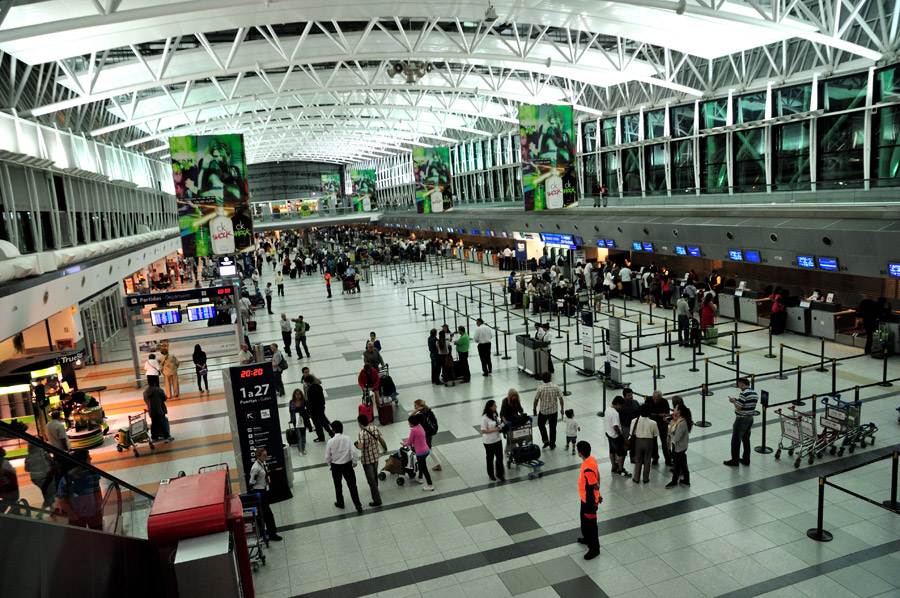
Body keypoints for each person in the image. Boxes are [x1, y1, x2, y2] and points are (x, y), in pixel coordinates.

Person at [54, 449, 102, 528]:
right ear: (83, 461)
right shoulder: (91, 473)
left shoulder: (67, 478)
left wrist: (73, 515)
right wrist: (98, 508)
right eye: (88, 458)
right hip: (88, 514)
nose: (90, 459)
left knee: (80, 536)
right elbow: (97, 491)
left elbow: (62, 499)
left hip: (80, 515)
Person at [325, 420, 363, 511]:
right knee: (352, 485)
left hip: (336, 467)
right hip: (347, 465)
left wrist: (331, 463)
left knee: (338, 486)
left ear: (333, 430)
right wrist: (354, 462)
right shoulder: (347, 438)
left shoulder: (330, 441)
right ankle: (357, 505)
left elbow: (327, 457)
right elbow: (354, 451)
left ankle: (340, 503)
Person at [248, 447, 283, 540]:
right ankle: (271, 534)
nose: (266, 457)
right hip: (259, 492)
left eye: (266, 454)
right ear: (259, 456)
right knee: (267, 514)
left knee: (265, 513)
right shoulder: (256, 468)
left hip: (264, 490)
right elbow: (251, 481)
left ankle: (267, 532)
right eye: (264, 455)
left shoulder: (262, 463)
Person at [575, 441, 602, 560]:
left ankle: (594, 548)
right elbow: (598, 474)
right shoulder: (591, 459)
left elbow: (595, 485)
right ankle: (586, 538)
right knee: (584, 521)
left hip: (589, 500)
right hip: (584, 498)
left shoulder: (587, 468)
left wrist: (598, 494)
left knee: (591, 525)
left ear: (580, 453)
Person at [356, 414, 388, 507]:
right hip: (375, 456)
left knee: (371, 480)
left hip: (367, 459)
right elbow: (381, 440)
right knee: (374, 474)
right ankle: (376, 490)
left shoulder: (361, 433)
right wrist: (385, 448)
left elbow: (361, 447)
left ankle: (377, 499)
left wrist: (357, 445)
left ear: (360, 423)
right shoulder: (374, 428)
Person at [724, 378, 758, 466]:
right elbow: (746, 403)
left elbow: (739, 407)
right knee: (746, 440)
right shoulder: (754, 393)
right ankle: (746, 459)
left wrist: (733, 401)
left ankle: (735, 460)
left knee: (735, 440)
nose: (739, 386)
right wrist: (737, 400)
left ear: (742, 384)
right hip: (750, 418)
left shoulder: (744, 393)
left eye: (739, 384)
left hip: (741, 419)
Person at [402, 415, 434, 491]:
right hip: (426, 450)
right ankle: (419, 478)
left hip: (420, 452)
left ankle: (430, 485)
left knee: (424, 468)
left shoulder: (413, 430)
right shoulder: (420, 426)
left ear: (412, 423)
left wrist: (403, 444)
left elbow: (408, 442)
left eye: (409, 422)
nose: (408, 423)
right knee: (421, 465)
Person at [532, 372, 563, 450]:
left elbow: (536, 400)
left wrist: (534, 409)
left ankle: (545, 440)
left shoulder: (540, 388)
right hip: (553, 412)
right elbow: (561, 399)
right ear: (550, 378)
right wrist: (562, 408)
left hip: (543, 412)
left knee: (541, 424)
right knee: (553, 428)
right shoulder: (556, 387)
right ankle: (552, 444)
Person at [630, 403, 658, 484]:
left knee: (638, 460)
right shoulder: (653, 423)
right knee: (647, 460)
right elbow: (655, 434)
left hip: (638, 441)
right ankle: (645, 478)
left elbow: (632, 432)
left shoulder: (634, 421)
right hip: (649, 442)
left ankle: (636, 478)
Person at [411, 399, 442, 471]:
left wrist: (415, 411)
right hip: (432, 431)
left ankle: (418, 463)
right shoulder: (429, 411)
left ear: (419, 405)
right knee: (429, 447)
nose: (414, 407)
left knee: (424, 448)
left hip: (426, 433)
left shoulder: (420, 414)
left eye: (415, 405)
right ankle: (437, 464)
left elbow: (410, 419)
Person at [666, 405, 693, 488]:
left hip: (678, 447)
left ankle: (674, 481)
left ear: (679, 411)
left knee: (676, 465)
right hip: (682, 447)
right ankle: (686, 480)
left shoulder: (681, 423)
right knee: (683, 463)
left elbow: (676, 438)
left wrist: (670, 433)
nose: (674, 409)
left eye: (675, 408)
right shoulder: (681, 420)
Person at [604, 397, 631, 477]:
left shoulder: (607, 409)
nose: (621, 407)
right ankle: (620, 469)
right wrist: (620, 435)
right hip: (615, 436)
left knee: (612, 451)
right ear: (618, 404)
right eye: (621, 405)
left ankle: (613, 466)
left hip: (608, 433)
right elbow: (615, 426)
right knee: (622, 453)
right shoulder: (615, 413)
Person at [480, 400, 505, 482]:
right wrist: (494, 430)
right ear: (490, 407)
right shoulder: (484, 418)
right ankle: (491, 474)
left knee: (499, 457)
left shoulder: (495, 415)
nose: (496, 406)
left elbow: (497, 424)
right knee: (490, 458)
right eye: (494, 405)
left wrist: (501, 426)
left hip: (497, 439)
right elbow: (483, 431)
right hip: (489, 442)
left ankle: (500, 474)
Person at [24, 443, 55, 509]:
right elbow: (51, 461)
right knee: (50, 494)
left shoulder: (28, 457)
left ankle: (52, 509)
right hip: (45, 477)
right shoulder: (42, 453)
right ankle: (40, 513)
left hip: (35, 479)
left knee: (46, 493)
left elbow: (27, 469)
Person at [647, 390, 672, 466]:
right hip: (652, 425)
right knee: (653, 442)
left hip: (662, 425)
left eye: (657, 399)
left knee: (665, 442)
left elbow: (666, 415)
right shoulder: (648, 401)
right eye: (654, 399)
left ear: (661, 398)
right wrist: (659, 415)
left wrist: (656, 415)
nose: (655, 401)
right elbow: (647, 414)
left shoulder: (664, 402)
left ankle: (668, 459)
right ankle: (655, 457)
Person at [304, 375, 332, 442]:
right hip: (321, 408)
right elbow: (322, 398)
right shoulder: (318, 386)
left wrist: (310, 410)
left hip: (314, 410)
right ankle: (331, 434)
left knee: (317, 424)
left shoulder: (310, 390)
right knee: (323, 422)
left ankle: (321, 437)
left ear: (308, 382)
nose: (305, 384)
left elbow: (311, 402)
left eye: (305, 382)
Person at [289, 388, 311, 455]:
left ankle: (303, 448)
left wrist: (307, 414)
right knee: (299, 435)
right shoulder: (291, 402)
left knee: (303, 434)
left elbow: (308, 409)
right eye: (296, 394)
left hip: (303, 419)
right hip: (295, 420)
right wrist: (291, 420)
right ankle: (300, 450)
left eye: (299, 394)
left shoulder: (304, 401)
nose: (298, 395)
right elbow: (290, 411)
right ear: (294, 395)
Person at [0, 447, 19, 513]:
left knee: (6, 501)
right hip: (9, 487)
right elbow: (13, 472)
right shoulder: (4, 462)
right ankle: (16, 515)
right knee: (13, 500)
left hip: (2, 488)